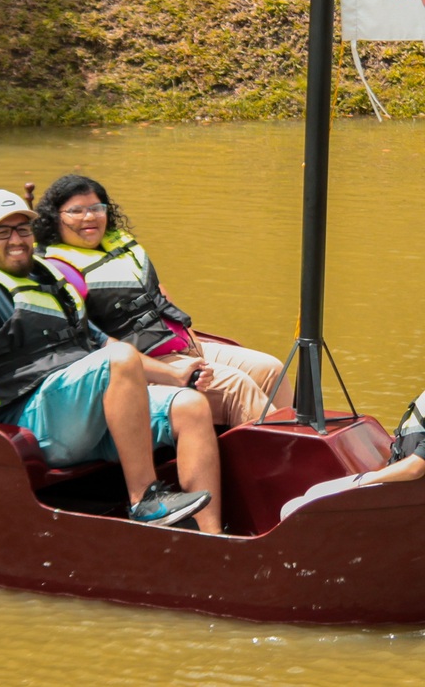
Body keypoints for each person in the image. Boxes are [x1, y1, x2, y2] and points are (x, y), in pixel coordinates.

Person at [0, 149, 223, 533]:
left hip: (85, 414)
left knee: (189, 406)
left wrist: (177, 376)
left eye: (22, 229)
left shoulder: (51, 282)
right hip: (31, 422)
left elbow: (100, 343)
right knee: (119, 358)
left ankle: (213, 540)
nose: (15, 240)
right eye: (2, 232)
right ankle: (144, 499)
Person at [33, 174, 294, 429]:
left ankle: (283, 442)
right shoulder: (61, 270)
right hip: (149, 366)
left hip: (184, 345)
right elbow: (91, 343)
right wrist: (167, 369)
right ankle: (284, 458)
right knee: (237, 385)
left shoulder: (118, 247)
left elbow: (158, 293)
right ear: (55, 219)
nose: (89, 217)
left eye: (96, 208)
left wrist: (191, 338)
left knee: (271, 368)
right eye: (76, 211)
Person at [281, 392, 425, 519]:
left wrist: (360, 482)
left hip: (405, 494)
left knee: (293, 509)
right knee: (313, 492)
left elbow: (415, 468)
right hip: (403, 489)